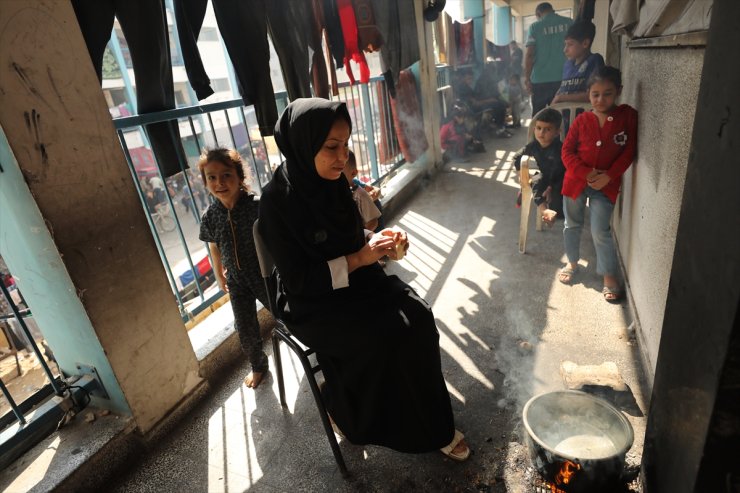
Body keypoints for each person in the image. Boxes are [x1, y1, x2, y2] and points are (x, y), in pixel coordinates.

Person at [258, 98, 470, 460]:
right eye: (331, 147)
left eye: (346, 144)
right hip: (309, 299)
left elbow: (354, 237)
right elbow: (299, 280)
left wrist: (380, 242)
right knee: (380, 339)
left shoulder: (333, 183)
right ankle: (345, 409)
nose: (343, 158)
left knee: (418, 317)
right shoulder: (277, 203)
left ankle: (434, 422)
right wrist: (361, 257)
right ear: (303, 144)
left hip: (355, 278)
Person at [559, 66, 638, 302]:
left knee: (600, 230)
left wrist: (609, 176)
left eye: (608, 93)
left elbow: (629, 151)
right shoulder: (582, 120)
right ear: (588, 94)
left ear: (619, 91)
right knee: (572, 224)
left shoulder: (627, 116)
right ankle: (572, 262)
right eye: (595, 94)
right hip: (575, 182)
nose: (601, 99)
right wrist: (585, 173)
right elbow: (566, 151)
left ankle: (608, 275)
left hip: (606, 186)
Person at [198, 148, 269, 388]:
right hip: (237, 281)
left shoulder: (258, 206)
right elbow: (214, 247)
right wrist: (219, 274)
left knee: (287, 314)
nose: (219, 183)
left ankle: (311, 346)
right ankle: (259, 365)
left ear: (239, 176)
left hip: (266, 276)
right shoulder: (209, 216)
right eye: (212, 177)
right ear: (205, 181)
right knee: (245, 330)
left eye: (226, 175)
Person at [513, 108, 565, 224]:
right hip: (542, 177)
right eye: (539, 128)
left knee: (559, 210)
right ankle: (544, 210)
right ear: (534, 128)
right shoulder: (533, 146)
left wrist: (550, 187)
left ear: (557, 132)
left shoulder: (560, 149)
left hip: (558, 179)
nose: (541, 133)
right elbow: (517, 157)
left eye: (548, 129)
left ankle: (552, 211)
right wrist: (521, 175)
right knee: (536, 181)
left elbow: (558, 170)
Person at [524, 2, 573, 115]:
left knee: (539, 116)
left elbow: (529, 54)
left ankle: (538, 133)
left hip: (539, 80)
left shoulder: (535, 27)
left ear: (538, 14)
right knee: (561, 115)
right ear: (552, 10)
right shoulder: (569, 23)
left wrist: (527, 79)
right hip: (564, 78)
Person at [551, 21, 604, 105]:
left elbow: (595, 94)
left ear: (585, 43)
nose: (565, 50)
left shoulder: (594, 60)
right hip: (565, 116)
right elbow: (562, 89)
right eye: (565, 44)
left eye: (570, 44)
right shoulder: (567, 65)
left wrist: (561, 98)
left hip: (585, 116)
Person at [343, 151, 381, 232]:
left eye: (340, 173)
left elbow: (373, 222)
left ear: (353, 173)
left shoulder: (359, 194)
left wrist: (361, 235)